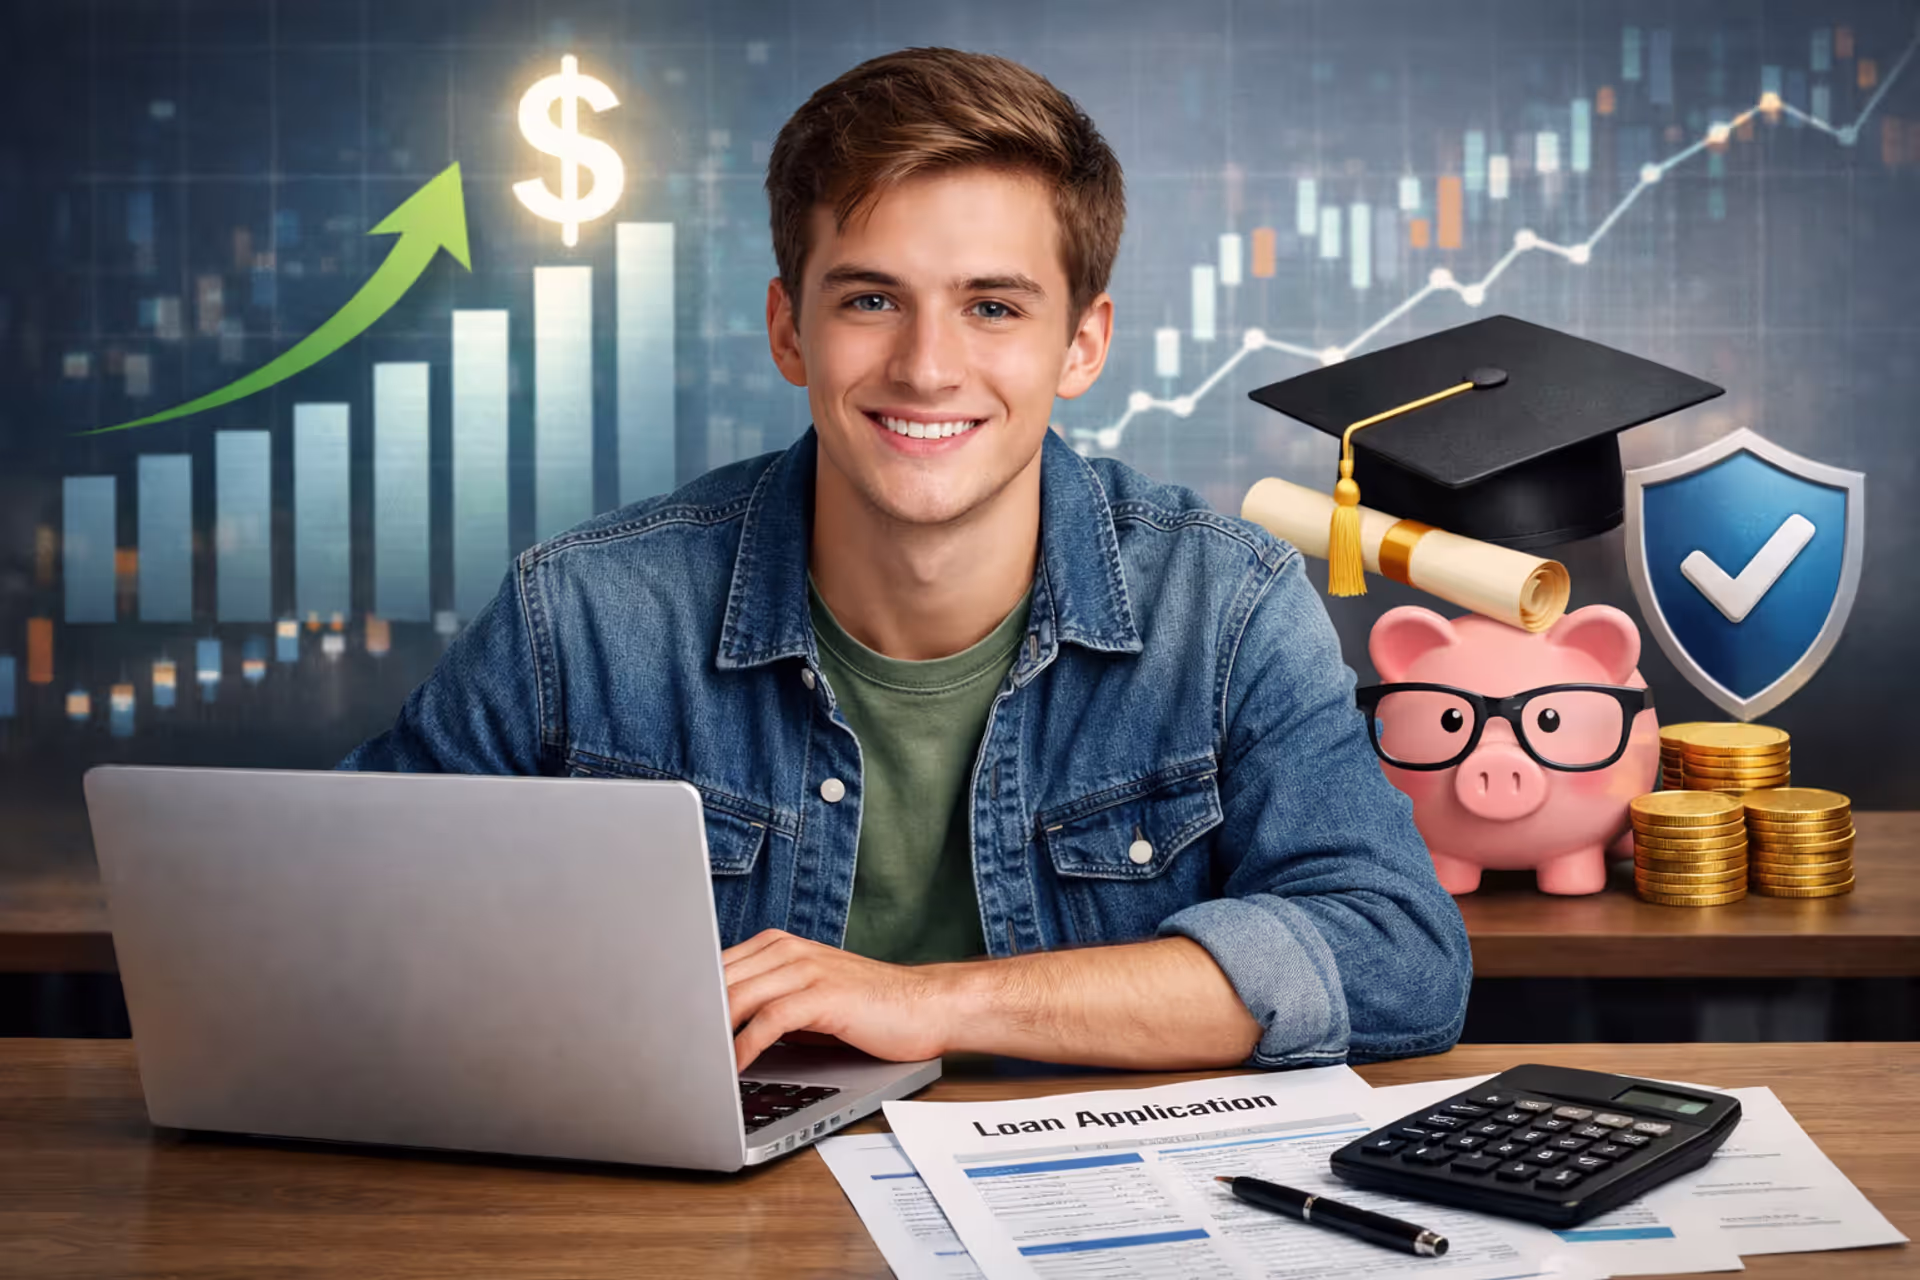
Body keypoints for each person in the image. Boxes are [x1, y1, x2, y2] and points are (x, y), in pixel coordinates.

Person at [339, 47, 1470, 1074]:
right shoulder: (583, 613)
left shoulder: (1222, 607)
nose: (928, 366)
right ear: (790, 329)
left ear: (1083, 343)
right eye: (871, 298)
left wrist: (935, 1002)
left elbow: (1396, 957)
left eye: (992, 306)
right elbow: (337, 909)